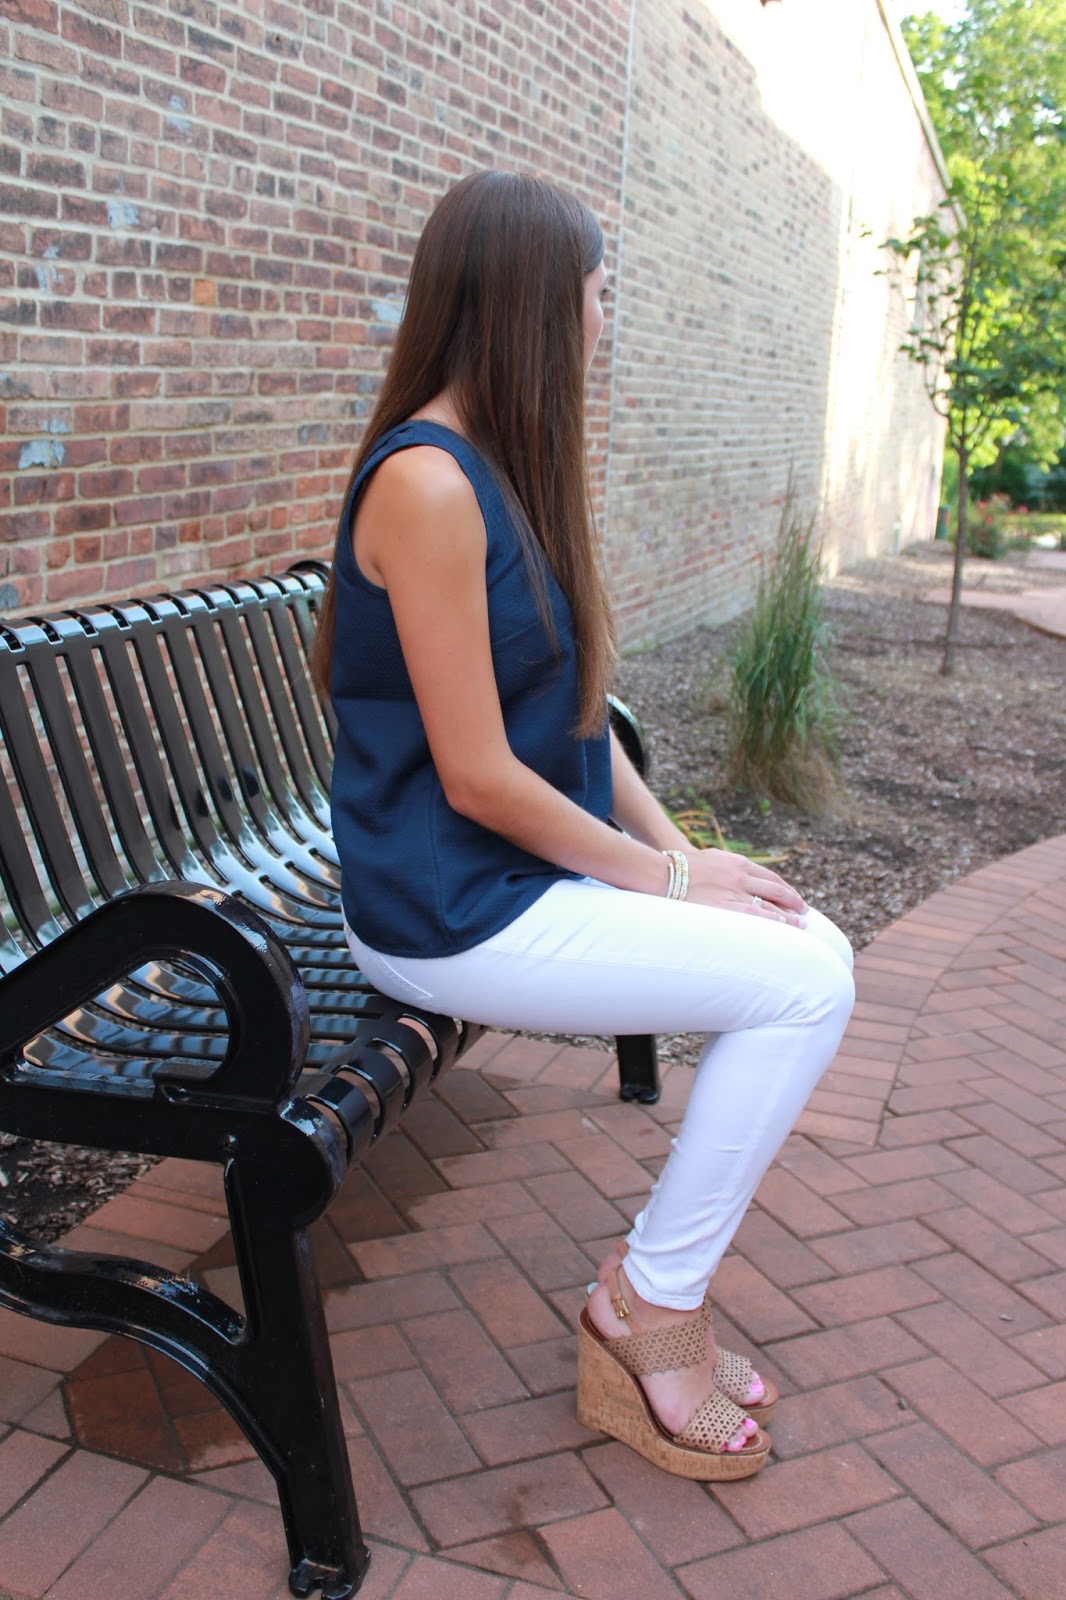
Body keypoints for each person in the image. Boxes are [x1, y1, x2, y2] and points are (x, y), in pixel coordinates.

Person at [310, 169, 855, 1481]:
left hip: (505, 882)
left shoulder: (501, 471)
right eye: (601, 295)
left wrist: (687, 862)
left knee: (797, 946)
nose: (607, 321)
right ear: (536, 304)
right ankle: (649, 1301)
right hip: (441, 909)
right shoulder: (430, 486)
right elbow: (482, 779)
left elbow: (579, 724)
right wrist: (666, 884)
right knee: (808, 983)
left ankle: (653, 1286)